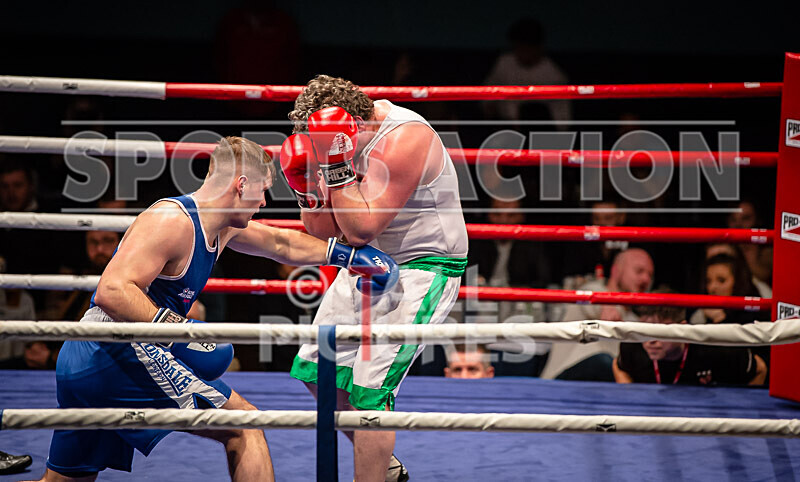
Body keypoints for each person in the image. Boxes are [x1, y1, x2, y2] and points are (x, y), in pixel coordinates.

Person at [36, 136, 399, 482]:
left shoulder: (220, 226)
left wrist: (347, 255)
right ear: (241, 185)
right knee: (245, 425)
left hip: (89, 356)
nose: (263, 203)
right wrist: (178, 334)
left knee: (63, 479)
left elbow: (279, 242)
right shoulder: (172, 221)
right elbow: (111, 290)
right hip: (115, 351)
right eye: (262, 191)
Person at [284, 75, 468, 481]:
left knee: (370, 392)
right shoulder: (326, 139)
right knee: (318, 372)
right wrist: (305, 187)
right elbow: (324, 230)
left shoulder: (405, 137)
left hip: (424, 268)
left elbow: (362, 227)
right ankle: (385, 467)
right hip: (365, 261)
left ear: (354, 124)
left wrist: (333, 164)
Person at [540, 248, 654, 381]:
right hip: (561, 381)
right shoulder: (592, 292)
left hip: (598, 388)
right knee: (604, 363)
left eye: (650, 275)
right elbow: (591, 296)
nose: (646, 279)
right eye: (639, 271)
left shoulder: (634, 320)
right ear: (616, 271)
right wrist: (604, 304)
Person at [613, 304, 767, 385]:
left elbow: (760, 368)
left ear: (683, 329)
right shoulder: (633, 344)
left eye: (661, 331)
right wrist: (630, 394)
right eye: (646, 329)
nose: (651, 340)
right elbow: (619, 366)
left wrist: (742, 415)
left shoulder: (712, 348)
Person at [483, 17, 571, 126]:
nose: (521, 52)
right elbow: (487, 99)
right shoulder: (504, 63)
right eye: (517, 47)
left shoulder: (554, 76)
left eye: (526, 48)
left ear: (539, 47)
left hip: (540, 134)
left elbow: (562, 120)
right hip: (505, 130)